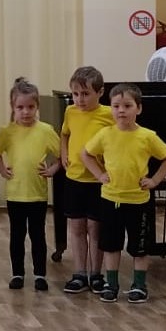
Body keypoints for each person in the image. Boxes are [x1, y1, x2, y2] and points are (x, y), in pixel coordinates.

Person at [81, 83, 166, 303]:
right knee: (111, 244)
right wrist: (99, 174)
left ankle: (139, 285)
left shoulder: (147, 136)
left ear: (138, 109)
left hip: (139, 201)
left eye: (127, 105)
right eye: (116, 106)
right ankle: (111, 284)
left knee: (139, 247)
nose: (121, 110)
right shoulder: (105, 134)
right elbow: (86, 154)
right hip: (111, 199)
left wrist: (155, 180)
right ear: (111, 109)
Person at [0, 78, 61, 291]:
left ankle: (40, 274)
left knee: (38, 235)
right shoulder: (7, 132)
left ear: (37, 106)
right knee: (17, 235)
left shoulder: (46, 130)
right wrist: (2, 170)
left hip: (37, 194)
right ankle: (18, 274)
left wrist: (52, 169)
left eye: (30, 107)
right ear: (13, 107)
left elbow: (61, 155)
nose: (25, 112)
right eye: (20, 107)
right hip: (15, 194)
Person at [59, 65, 112, 295]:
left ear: (100, 92)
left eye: (86, 94)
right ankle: (80, 273)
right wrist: (63, 153)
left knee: (95, 228)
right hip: (74, 178)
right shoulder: (70, 112)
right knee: (77, 226)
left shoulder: (109, 114)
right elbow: (65, 134)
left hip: (98, 181)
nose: (80, 99)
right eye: (76, 94)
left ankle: (96, 274)